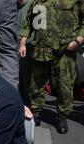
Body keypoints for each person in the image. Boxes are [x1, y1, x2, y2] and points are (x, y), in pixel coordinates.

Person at [19, 0, 84, 133]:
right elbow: (29, 21)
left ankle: (62, 116)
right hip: (42, 47)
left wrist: (78, 40)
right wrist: (23, 42)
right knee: (36, 82)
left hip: (66, 48)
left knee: (64, 84)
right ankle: (36, 111)